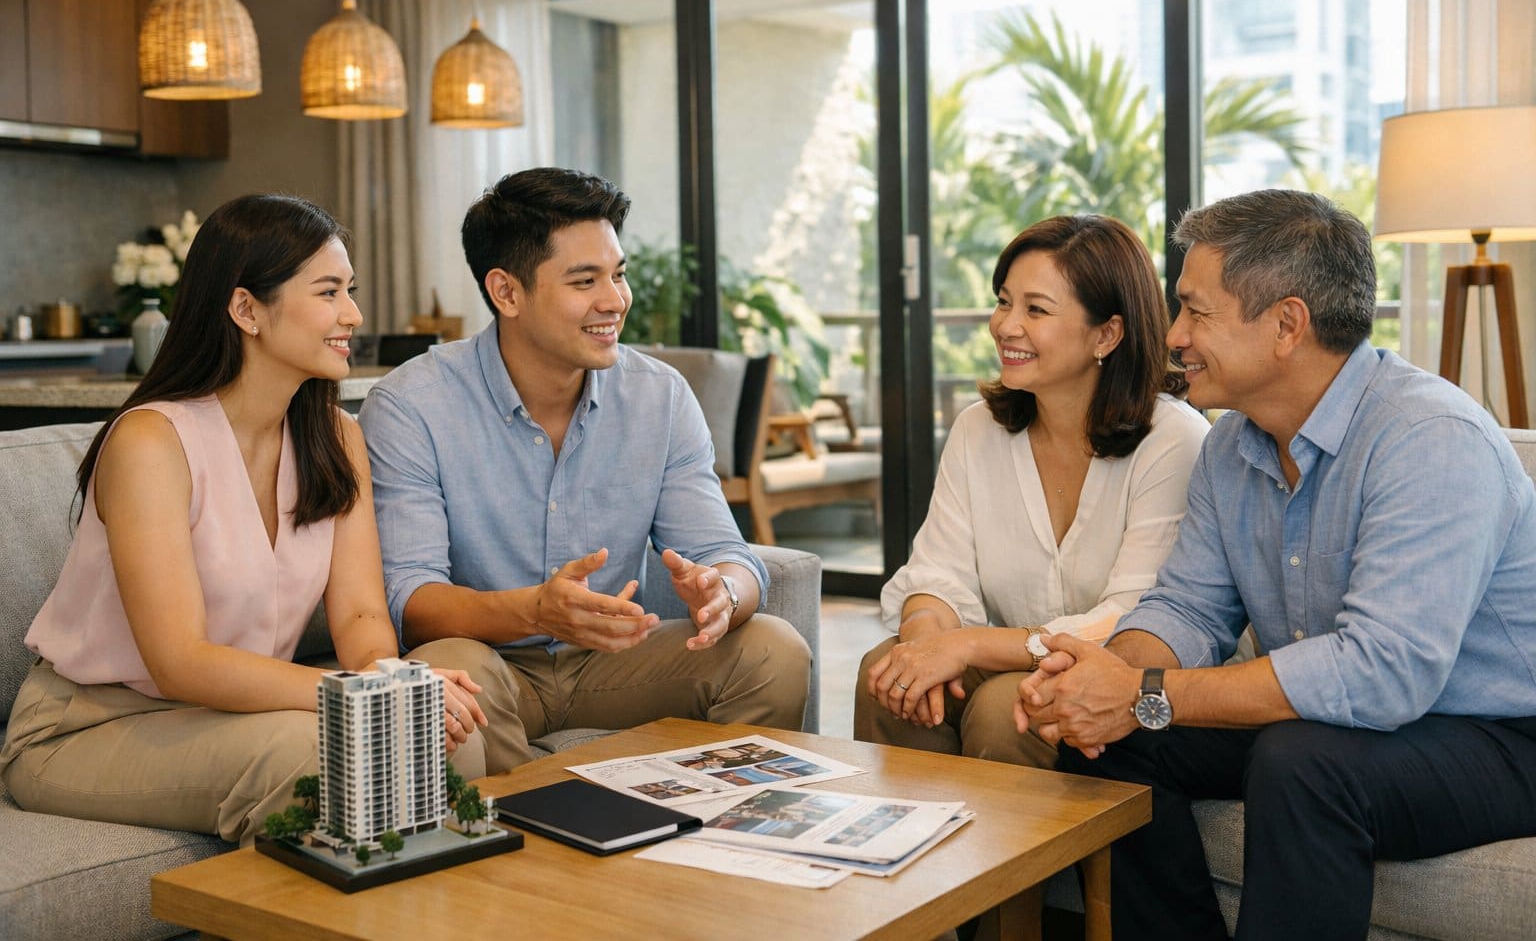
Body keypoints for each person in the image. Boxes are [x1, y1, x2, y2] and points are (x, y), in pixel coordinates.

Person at [1017, 189, 1536, 941]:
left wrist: (1145, 692)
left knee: (1304, 763)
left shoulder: (1429, 439)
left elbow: (1382, 672)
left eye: (1196, 311)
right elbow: (1189, 608)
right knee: (1104, 738)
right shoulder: (1232, 446)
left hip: (1499, 734)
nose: (1173, 336)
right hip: (1355, 723)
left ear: (1287, 324)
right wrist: (1107, 680)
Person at [0, 195, 500, 844]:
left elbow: (358, 617)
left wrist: (396, 683)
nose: (353, 314)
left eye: (349, 290)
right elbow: (180, 661)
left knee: (443, 742)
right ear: (246, 309)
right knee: (326, 757)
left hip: (228, 714)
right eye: (328, 292)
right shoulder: (152, 445)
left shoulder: (337, 438)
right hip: (91, 726)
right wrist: (357, 691)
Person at [358, 167, 811, 768]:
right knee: (449, 678)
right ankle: (529, 849)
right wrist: (533, 610)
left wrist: (722, 590)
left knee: (773, 652)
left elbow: (726, 551)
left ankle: (718, 846)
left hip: (617, 664)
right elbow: (410, 597)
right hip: (493, 664)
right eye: (585, 281)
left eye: (618, 274)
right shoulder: (411, 404)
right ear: (507, 292)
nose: (614, 300)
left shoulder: (660, 396)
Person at [855, 214, 1208, 767]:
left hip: (1126, 684)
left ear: (1107, 334)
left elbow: (1134, 617)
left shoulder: (1174, 439)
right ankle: (906, 849)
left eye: (1035, 310)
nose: (1005, 326)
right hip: (1016, 658)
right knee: (887, 672)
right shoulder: (979, 430)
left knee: (1005, 705)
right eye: (1003, 302)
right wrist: (920, 645)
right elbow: (938, 573)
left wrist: (967, 646)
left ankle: (1030, 858)